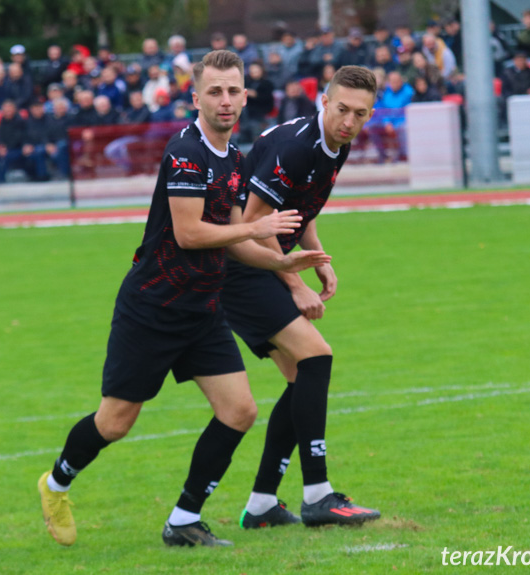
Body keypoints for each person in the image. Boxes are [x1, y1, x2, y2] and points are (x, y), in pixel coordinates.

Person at [37, 49, 332, 549]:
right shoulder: (185, 151)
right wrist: (259, 226)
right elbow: (190, 233)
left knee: (239, 410)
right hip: (152, 309)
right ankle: (56, 482)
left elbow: (236, 241)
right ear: (195, 98)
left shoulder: (236, 160)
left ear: (245, 96)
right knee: (115, 422)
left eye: (233, 90)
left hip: (202, 309)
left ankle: (183, 520)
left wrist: (281, 266)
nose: (225, 100)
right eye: (214, 91)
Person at [220, 66, 382, 530]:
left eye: (360, 114)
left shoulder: (335, 144)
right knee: (317, 357)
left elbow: (297, 206)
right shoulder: (298, 146)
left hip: (264, 260)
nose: (349, 121)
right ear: (324, 102)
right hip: (241, 263)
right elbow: (253, 220)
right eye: (343, 109)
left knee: (300, 379)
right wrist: (296, 284)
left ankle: (262, 506)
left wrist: (314, 255)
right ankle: (318, 494)